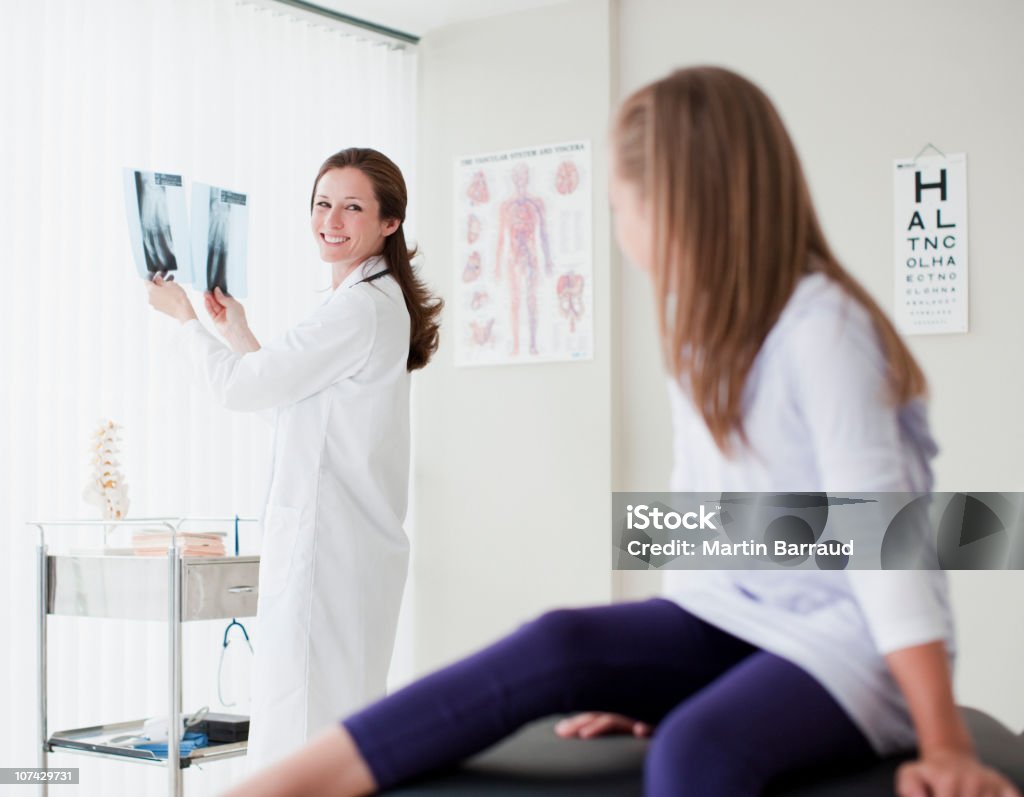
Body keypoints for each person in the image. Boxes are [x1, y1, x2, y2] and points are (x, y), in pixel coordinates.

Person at [217, 69, 1021, 797]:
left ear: (684, 200)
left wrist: (943, 737)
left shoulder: (823, 329)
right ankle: (281, 786)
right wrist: (664, 674)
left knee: (695, 751)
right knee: (559, 641)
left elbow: (892, 543)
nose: (617, 221)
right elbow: (713, 526)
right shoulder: (705, 329)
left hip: (851, 648)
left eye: (623, 201)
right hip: (740, 618)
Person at [145, 148, 443, 770]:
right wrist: (235, 332)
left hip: (327, 551)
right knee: (330, 728)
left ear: (390, 222)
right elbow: (293, 408)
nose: (331, 219)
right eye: (322, 203)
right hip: (347, 551)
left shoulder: (359, 307)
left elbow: (243, 389)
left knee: (304, 734)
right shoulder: (368, 301)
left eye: (352, 206)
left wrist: (184, 323)